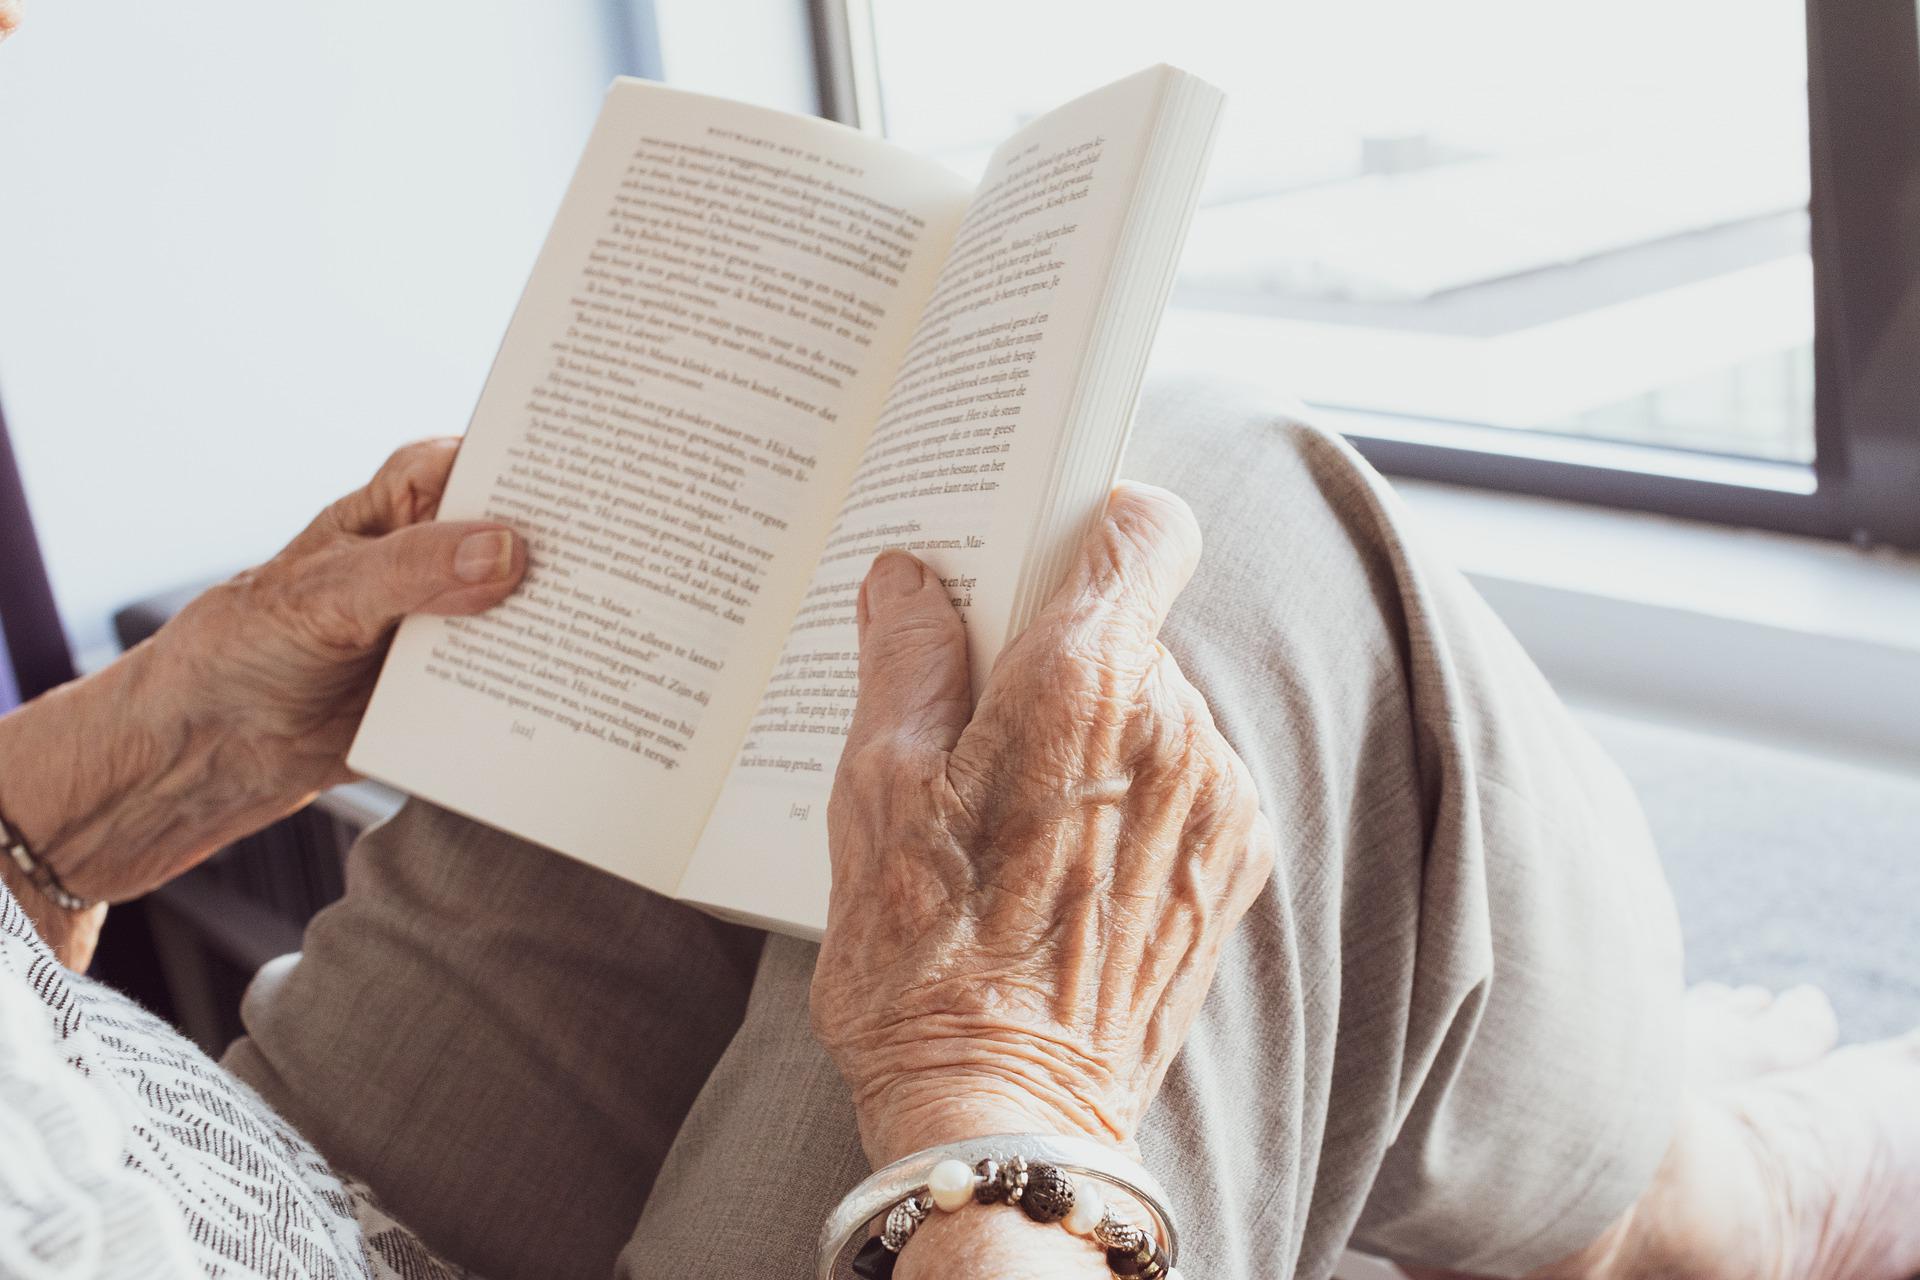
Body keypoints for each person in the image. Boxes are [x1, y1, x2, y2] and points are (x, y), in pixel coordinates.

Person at [2, 12, 1918, 1280]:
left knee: (906, 628)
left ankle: (1567, 1137)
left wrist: (83, 799)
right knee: (1194, 569)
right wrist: (994, 1101)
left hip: (148, 1180)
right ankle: (1697, 1206)